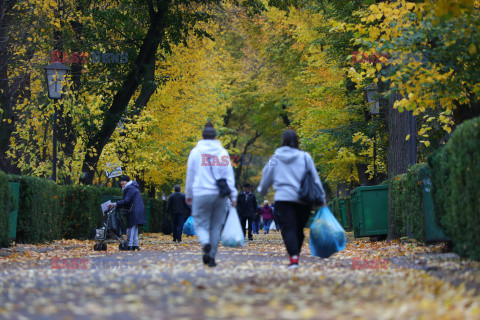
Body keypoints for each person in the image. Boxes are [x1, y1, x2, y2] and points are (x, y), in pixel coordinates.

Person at [257, 129, 325, 269]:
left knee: (289, 229)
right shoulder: (305, 157)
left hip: (284, 198)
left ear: (283, 141)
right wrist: (322, 197)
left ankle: (294, 258)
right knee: (299, 229)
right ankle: (295, 257)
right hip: (304, 199)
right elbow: (315, 178)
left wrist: (262, 190)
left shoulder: (275, 157)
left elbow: (266, 176)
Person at [185, 121, 238, 268]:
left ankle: (205, 244)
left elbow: (190, 175)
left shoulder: (195, 152)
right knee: (216, 227)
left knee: (200, 224)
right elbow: (229, 176)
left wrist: (188, 194)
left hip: (200, 193)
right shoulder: (222, 153)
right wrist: (233, 195)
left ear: (202, 136)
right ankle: (212, 257)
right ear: (215, 137)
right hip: (219, 195)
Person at [108, 175, 146, 251]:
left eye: (123, 181)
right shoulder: (134, 187)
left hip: (133, 211)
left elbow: (126, 201)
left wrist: (115, 204)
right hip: (138, 210)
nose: (121, 182)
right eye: (120, 181)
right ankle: (136, 245)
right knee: (134, 228)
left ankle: (129, 246)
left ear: (127, 182)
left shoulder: (129, 188)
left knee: (130, 228)